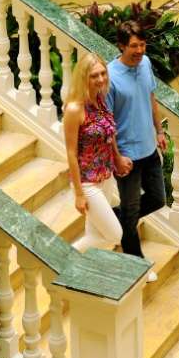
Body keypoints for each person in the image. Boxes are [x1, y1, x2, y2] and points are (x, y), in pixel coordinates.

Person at [107, 20, 169, 279]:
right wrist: (116, 157)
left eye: (142, 44)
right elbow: (107, 122)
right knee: (131, 212)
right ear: (121, 46)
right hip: (127, 157)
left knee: (158, 199)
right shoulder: (110, 77)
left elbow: (151, 99)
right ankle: (137, 264)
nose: (140, 50)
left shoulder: (145, 65)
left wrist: (159, 131)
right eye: (134, 46)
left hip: (149, 148)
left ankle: (110, 219)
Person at [63, 53, 127, 254]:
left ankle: (73, 266)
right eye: (94, 76)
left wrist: (117, 158)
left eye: (103, 74)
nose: (100, 79)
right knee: (115, 235)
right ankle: (63, 257)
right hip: (88, 183)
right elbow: (71, 153)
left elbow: (109, 132)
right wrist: (79, 194)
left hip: (106, 177)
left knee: (94, 235)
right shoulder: (74, 109)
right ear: (83, 78)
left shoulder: (100, 99)